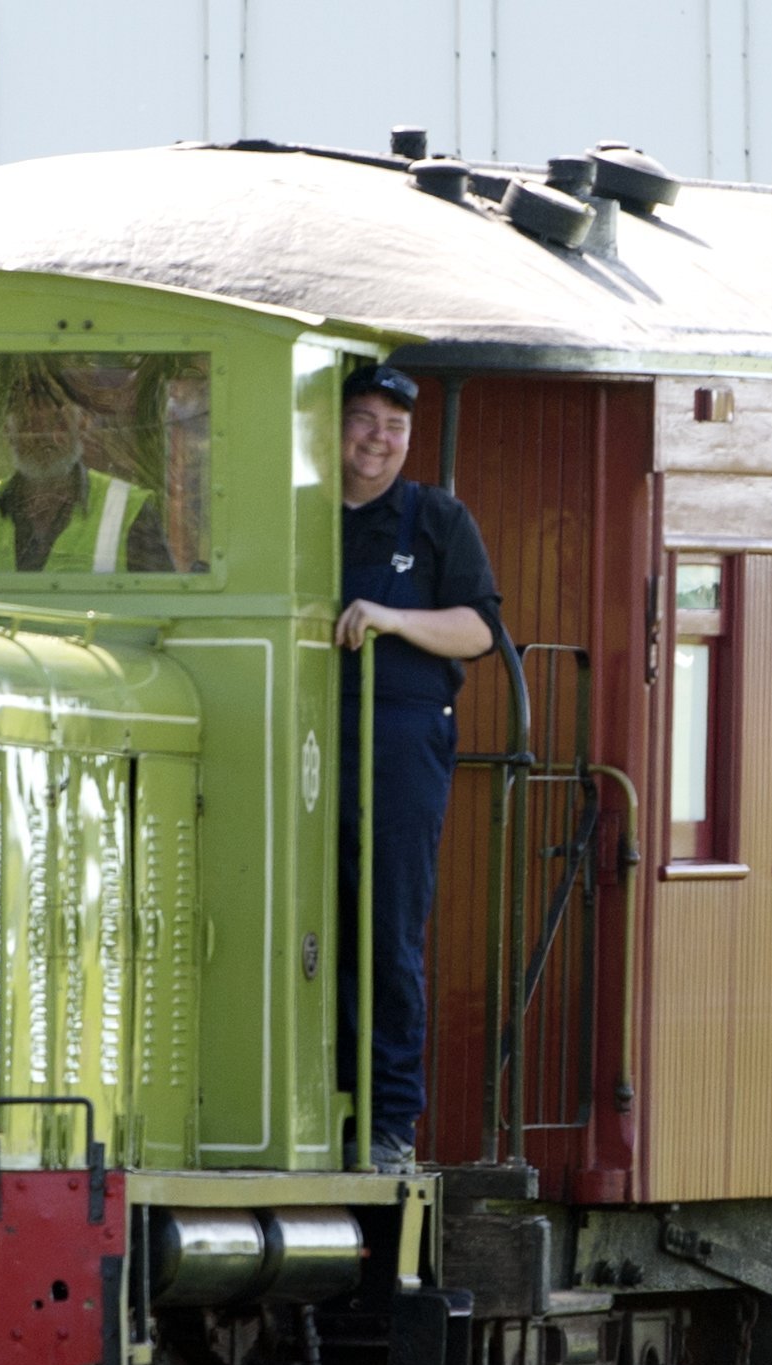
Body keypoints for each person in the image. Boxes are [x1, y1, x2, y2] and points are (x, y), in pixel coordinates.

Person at [332, 363, 501, 1174]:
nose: (378, 439)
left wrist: (391, 618)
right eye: (363, 420)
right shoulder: (297, 515)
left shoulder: (435, 519)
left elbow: (478, 630)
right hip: (301, 731)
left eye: (394, 426)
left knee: (386, 927)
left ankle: (388, 1123)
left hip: (400, 738)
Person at [0, 362, 173, 573]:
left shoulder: (129, 509)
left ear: (82, 424)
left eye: (58, 421)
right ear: (8, 432)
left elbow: (160, 601)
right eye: (28, 424)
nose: (44, 437)